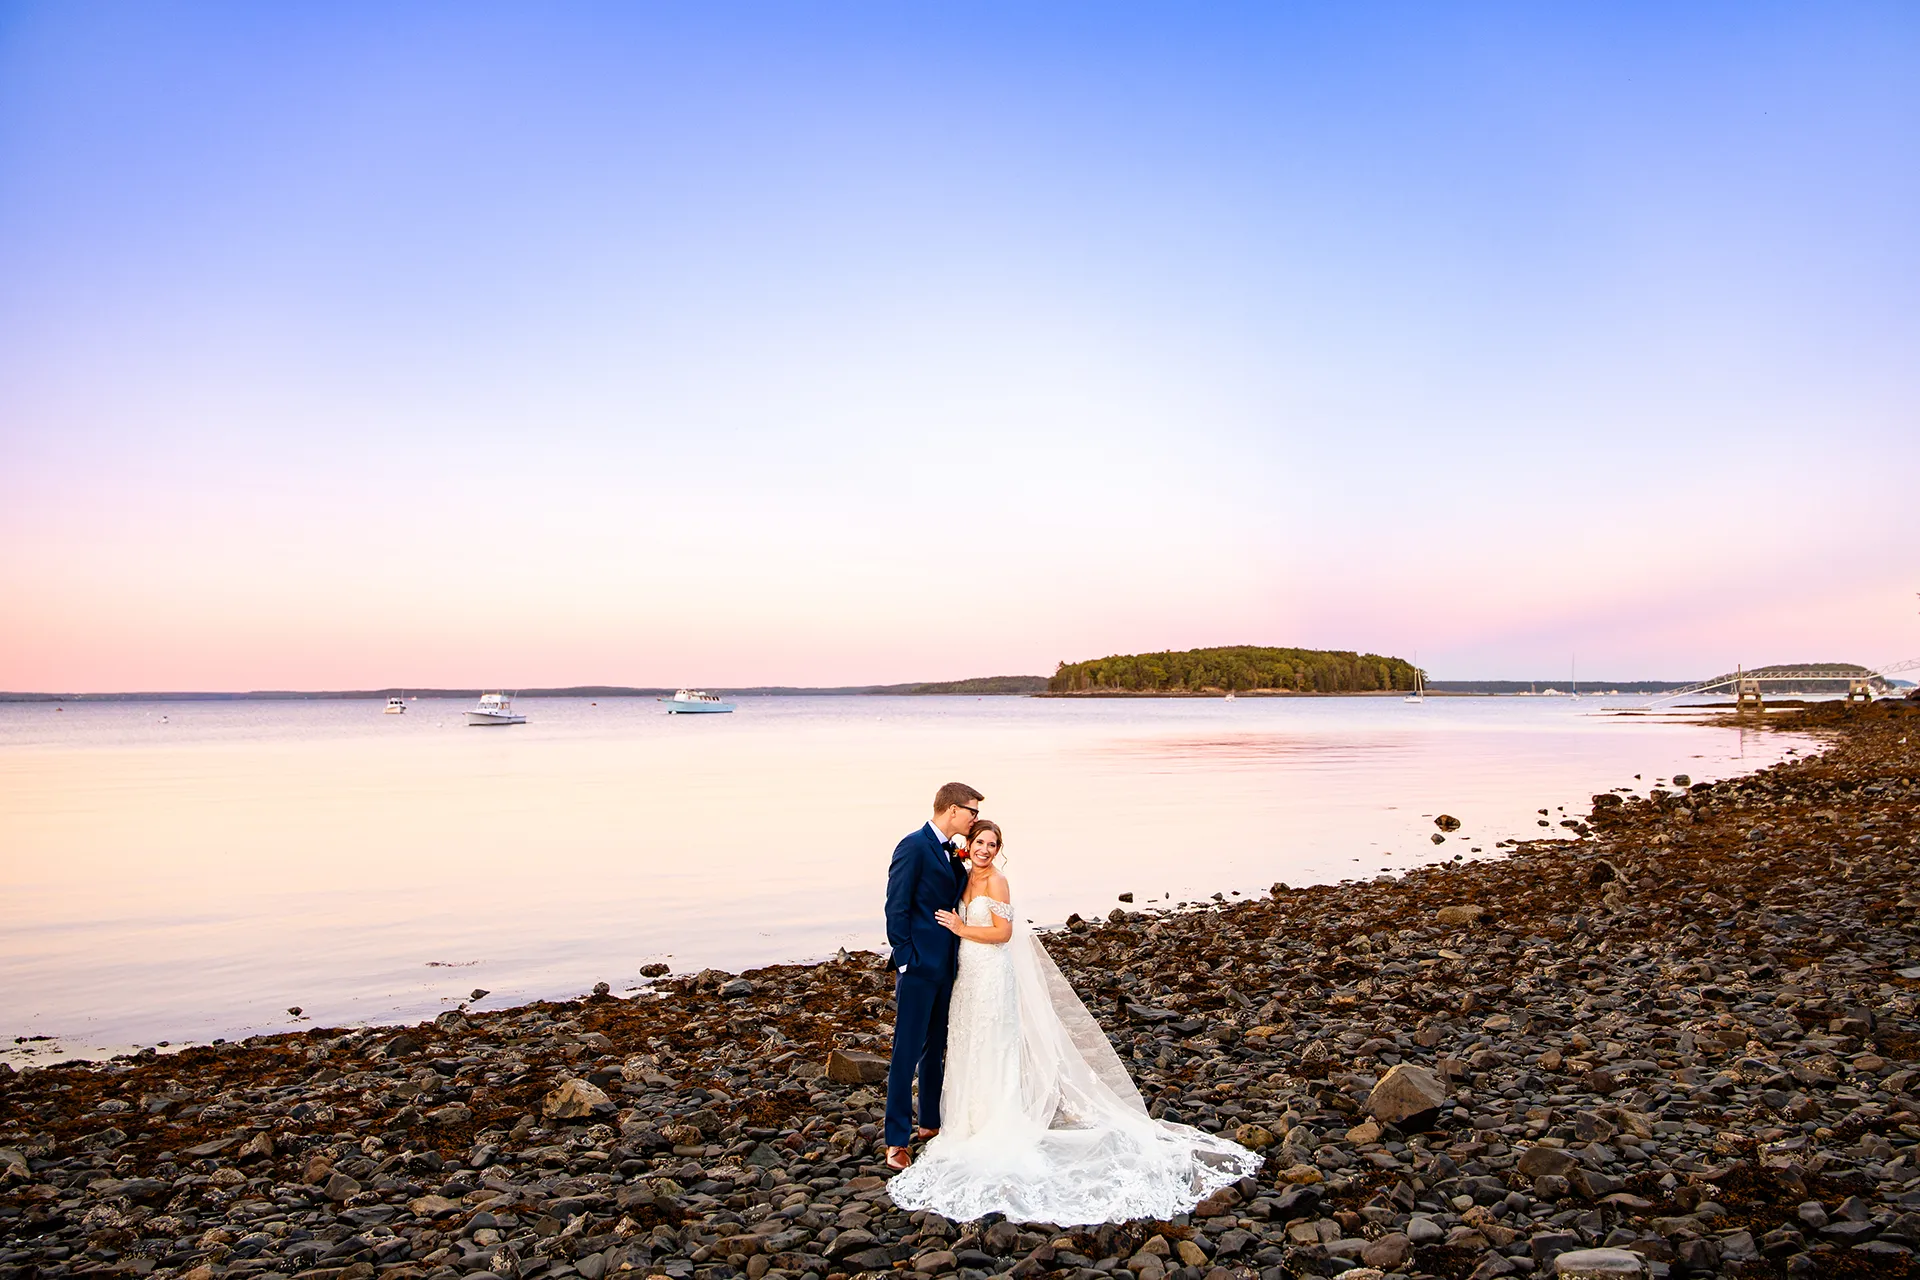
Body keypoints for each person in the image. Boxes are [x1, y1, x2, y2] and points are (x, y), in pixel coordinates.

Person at [886, 820, 1261, 1224]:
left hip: (992, 973)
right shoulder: (960, 875)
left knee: (994, 1042)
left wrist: (962, 927)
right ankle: (960, 1119)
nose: (985, 850)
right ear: (968, 843)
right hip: (965, 976)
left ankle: (996, 1118)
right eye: (979, 842)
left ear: (998, 849)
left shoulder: (997, 882)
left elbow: (1005, 932)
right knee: (965, 1044)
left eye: (992, 844)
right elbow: (908, 904)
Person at [882, 782, 984, 1171]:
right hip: (920, 965)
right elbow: (896, 905)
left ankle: (929, 1123)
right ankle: (895, 1141)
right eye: (971, 811)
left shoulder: (952, 852)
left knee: (935, 1048)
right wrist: (906, 958)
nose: (974, 819)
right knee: (905, 1052)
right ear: (952, 809)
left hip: (948, 966)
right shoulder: (913, 846)